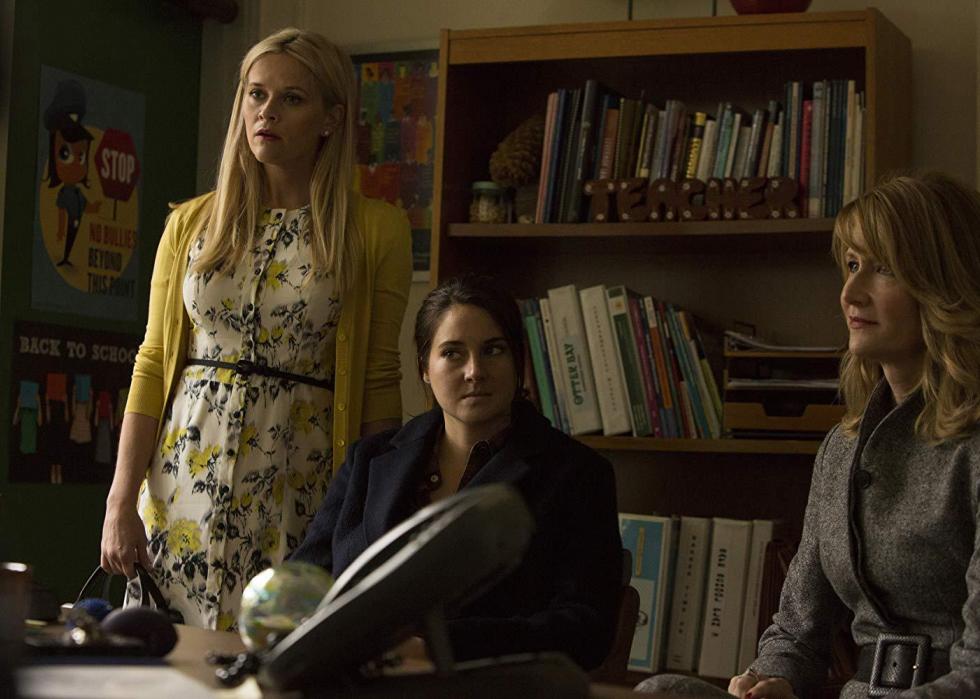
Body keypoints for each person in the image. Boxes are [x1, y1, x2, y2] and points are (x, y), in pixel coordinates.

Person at [99, 28, 412, 630]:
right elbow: (153, 360)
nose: (267, 112)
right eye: (256, 94)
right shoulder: (191, 224)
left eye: (292, 98)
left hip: (301, 485)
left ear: (331, 118)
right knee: (164, 657)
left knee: (276, 657)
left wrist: (372, 520)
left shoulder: (375, 230)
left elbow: (378, 380)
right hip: (181, 483)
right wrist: (120, 499)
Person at [636, 172, 980, 698]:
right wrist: (772, 678)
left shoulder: (971, 450)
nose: (850, 293)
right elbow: (797, 632)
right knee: (663, 691)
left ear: (942, 284)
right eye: (852, 265)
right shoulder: (842, 447)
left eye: (883, 269)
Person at [291, 275, 622, 669]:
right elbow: (298, 584)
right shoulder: (368, 459)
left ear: (518, 362)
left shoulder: (578, 474)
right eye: (452, 353)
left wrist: (435, 647)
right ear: (424, 368)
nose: (475, 371)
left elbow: (585, 628)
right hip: (352, 680)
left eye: (493, 350)